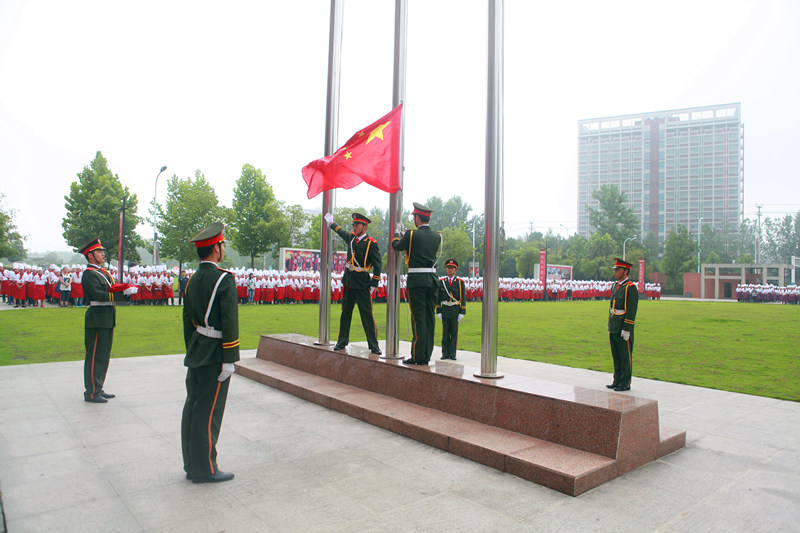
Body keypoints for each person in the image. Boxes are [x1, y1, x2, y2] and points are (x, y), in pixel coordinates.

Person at [181, 222, 239, 483]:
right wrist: (230, 359)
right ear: (216, 248)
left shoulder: (191, 279)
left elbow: (187, 321)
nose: (222, 249)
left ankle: (191, 465)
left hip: (196, 350)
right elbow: (229, 320)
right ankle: (205, 469)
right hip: (215, 353)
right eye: (222, 245)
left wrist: (193, 348)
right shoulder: (224, 279)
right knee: (208, 412)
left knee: (192, 408)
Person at [80, 238, 137, 403]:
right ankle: (91, 392)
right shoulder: (89, 274)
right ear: (90, 255)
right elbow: (100, 294)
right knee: (95, 355)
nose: (103, 254)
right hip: (97, 317)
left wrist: (124, 289)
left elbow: (110, 289)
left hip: (106, 317)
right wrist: (123, 294)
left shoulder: (102, 273)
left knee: (103, 355)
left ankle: (98, 387)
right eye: (99, 252)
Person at [324, 212, 383, 355]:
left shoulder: (371, 243)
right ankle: (342, 341)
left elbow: (378, 264)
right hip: (349, 281)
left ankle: (373, 345)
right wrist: (331, 223)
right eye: (354, 225)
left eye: (357, 225)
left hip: (362, 282)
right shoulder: (351, 239)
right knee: (346, 313)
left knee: (367, 315)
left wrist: (374, 282)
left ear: (364, 226)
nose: (354, 227)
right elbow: (341, 231)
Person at [391, 202, 442, 365]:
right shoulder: (437, 236)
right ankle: (426, 353)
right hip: (432, 280)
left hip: (417, 281)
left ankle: (418, 355)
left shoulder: (411, 235)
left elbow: (396, 246)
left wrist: (397, 233)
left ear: (417, 218)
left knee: (418, 318)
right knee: (429, 318)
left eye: (414, 217)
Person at [607, 258, 638, 392]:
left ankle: (625, 382)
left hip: (623, 327)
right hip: (614, 325)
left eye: (618, 270)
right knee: (616, 355)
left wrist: (627, 328)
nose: (616, 272)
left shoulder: (630, 288)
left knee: (625, 356)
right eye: (615, 270)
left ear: (625, 271)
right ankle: (617, 380)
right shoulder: (615, 286)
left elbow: (631, 310)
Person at [436, 259, 466, 360]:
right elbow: (438, 297)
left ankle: (452, 354)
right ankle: (445, 353)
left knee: (454, 332)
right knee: (445, 333)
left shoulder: (460, 282)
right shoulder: (442, 282)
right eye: (448, 268)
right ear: (446, 269)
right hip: (445, 309)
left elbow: (463, 298)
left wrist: (462, 312)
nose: (450, 270)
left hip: (455, 309)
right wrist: (438, 311)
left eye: (452, 268)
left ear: (455, 270)